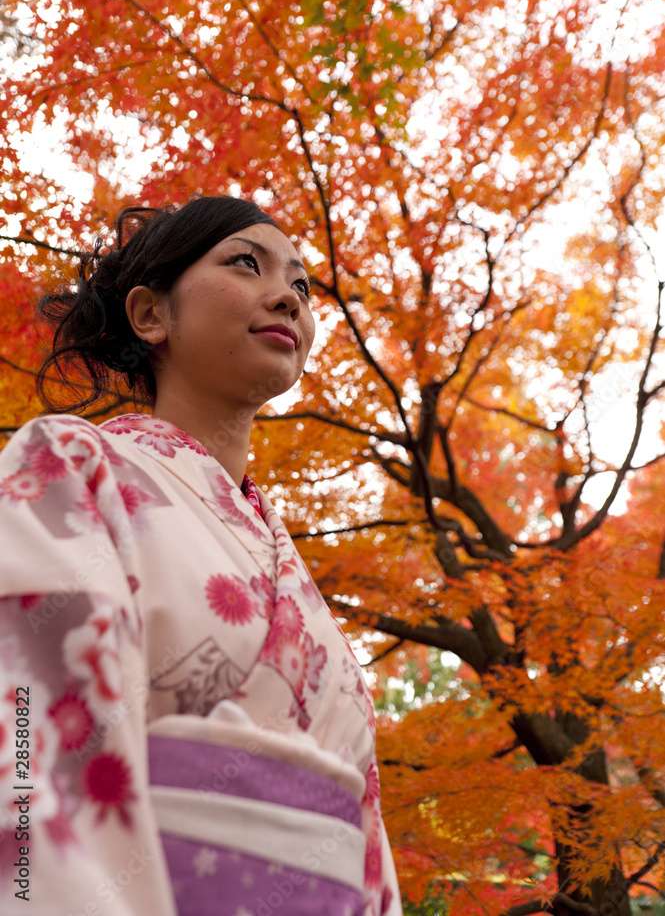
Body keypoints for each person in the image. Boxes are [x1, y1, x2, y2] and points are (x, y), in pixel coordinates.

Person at [0, 196, 402, 916]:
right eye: (246, 264)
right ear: (152, 315)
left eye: (303, 287)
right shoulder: (72, 464)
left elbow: (365, 841)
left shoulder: (291, 573)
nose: (288, 297)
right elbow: (29, 737)